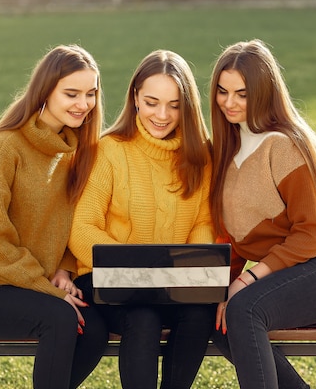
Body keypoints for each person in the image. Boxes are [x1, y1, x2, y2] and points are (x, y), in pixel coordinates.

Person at [0, 45, 108, 389]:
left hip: (34, 284)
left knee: (95, 329)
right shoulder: (5, 147)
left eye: (90, 94)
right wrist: (46, 288)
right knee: (60, 318)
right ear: (45, 90)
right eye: (71, 93)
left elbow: (70, 223)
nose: (83, 104)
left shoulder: (73, 150)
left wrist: (64, 269)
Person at [208, 39, 316, 389]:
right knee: (216, 317)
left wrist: (246, 280)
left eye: (242, 94)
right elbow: (231, 238)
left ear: (263, 93)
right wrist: (221, 289)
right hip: (289, 268)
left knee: (244, 309)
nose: (229, 103)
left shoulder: (283, 144)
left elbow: (311, 233)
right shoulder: (226, 149)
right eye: (222, 91)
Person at [68, 50, 215, 389]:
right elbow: (82, 228)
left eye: (174, 105)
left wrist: (194, 272)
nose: (161, 115)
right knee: (143, 318)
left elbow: (203, 223)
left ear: (187, 107)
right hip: (107, 279)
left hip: (170, 283)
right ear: (135, 97)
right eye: (151, 102)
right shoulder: (109, 150)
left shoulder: (200, 157)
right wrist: (134, 269)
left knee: (199, 315)